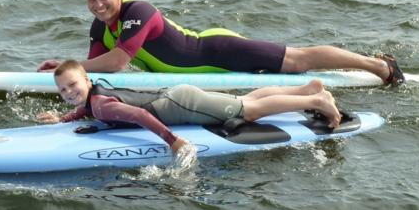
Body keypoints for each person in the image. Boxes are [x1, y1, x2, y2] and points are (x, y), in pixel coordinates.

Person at [37, 0, 405, 86]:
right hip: (194, 64)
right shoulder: (98, 28)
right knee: (296, 62)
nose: (98, 6)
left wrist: (68, 66)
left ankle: (379, 66)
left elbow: (116, 63)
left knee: (299, 60)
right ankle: (372, 63)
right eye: (91, 1)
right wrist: (73, 82)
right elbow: (96, 72)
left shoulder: (139, 11)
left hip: (216, 52)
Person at [37, 60, 345, 155]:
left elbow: (141, 116)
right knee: (247, 101)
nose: (69, 92)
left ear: (86, 79)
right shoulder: (95, 99)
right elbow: (86, 108)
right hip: (177, 98)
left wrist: (174, 142)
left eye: (73, 85)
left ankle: (315, 101)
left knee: (247, 110)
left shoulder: (102, 106)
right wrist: (63, 117)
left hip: (183, 106)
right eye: (63, 90)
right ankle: (307, 89)